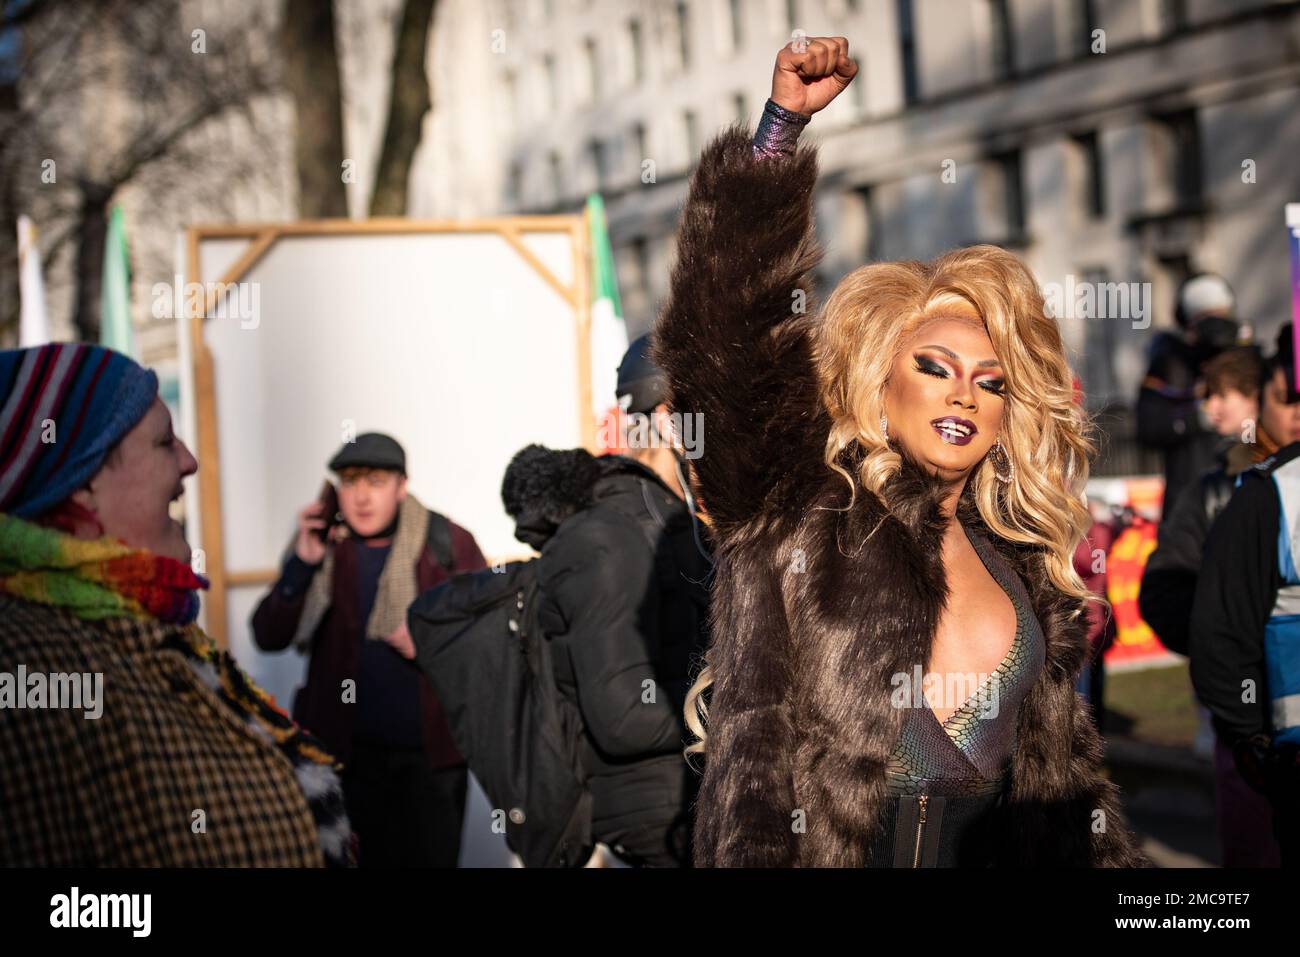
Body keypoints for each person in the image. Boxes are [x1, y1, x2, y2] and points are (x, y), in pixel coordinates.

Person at [652, 37, 1145, 867]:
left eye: (991, 383)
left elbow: (1073, 797)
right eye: (935, 368)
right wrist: (777, 136)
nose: (964, 394)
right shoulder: (799, 512)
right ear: (879, 384)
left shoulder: (1022, 569)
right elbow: (723, 337)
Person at [0, 343, 351, 866]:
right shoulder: (29, 664)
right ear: (85, 482)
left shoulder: (152, 635)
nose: (189, 461)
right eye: (164, 442)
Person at [496, 337, 712, 867]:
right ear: (668, 417)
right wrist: (735, 702)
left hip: (690, 794)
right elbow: (624, 717)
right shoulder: (609, 536)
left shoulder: (665, 515)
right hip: (660, 810)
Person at [250, 432, 487, 867]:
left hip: (430, 767)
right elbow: (268, 635)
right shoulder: (325, 548)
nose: (361, 496)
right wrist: (301, 564)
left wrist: (432, 642)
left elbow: (490, 639)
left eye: (375, 481)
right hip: (343, 765)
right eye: (350, 481)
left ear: (401, 486)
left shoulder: (447, 544)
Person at [1189, 325, 1300, 866]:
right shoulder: (1246, 488)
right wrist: (1252, 738)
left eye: (1222, 394)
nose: (1212, 408)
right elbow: (1207, 623)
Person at [1136, 272, 1244, 518]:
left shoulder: (1244, 360)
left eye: (1220, 316)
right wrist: (1196, 418)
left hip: (1241, 488)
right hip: (1189, 496)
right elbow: (1148, 427)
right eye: (1204, 318)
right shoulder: (1170, 365)